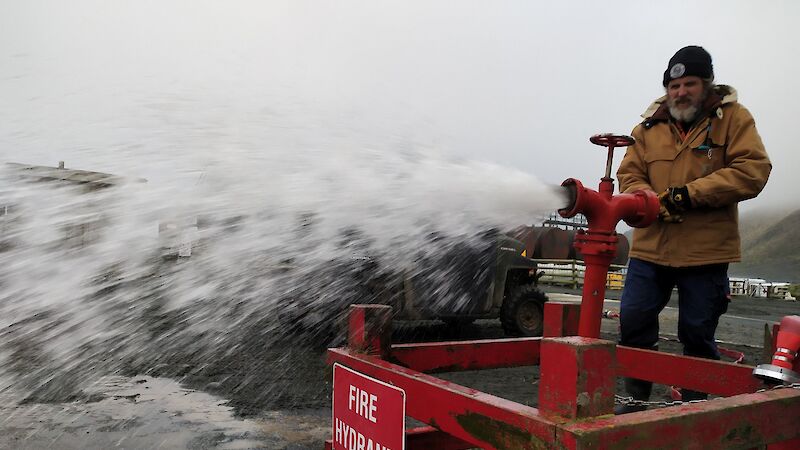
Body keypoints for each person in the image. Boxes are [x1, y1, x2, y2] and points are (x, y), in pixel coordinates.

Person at [615, 45, 772, 413]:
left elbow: (753, 171)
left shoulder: (734, 119)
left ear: (707, 85)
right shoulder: (647, 127)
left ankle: (694, 406)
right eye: (674, 85)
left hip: (706, 252)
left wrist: (687, 196)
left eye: (689, 83)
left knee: (697, 331)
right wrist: (646, 199)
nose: (680, 92)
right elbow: (629, 173)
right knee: (634, 321)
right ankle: (635, 400)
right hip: (650, 248)